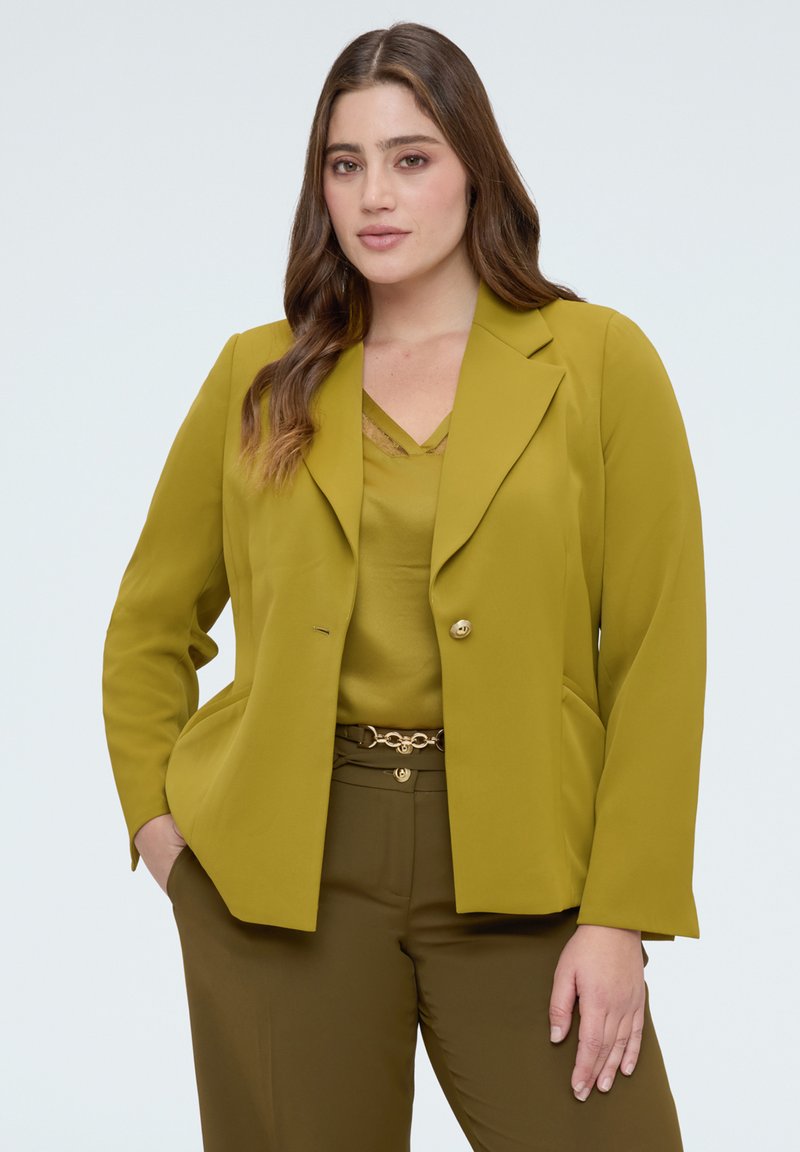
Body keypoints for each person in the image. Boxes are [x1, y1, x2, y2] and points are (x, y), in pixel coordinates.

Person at [102, 21, 706, 1152]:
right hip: (283, 881)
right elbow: (148, 626)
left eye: (410, 158)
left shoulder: (596, 362)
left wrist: (621, 913)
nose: (373, 195)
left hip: (532, 869)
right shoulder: (257, 375)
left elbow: (658, 652)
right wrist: (166, 842)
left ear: (475, 168)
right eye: (346, 163)